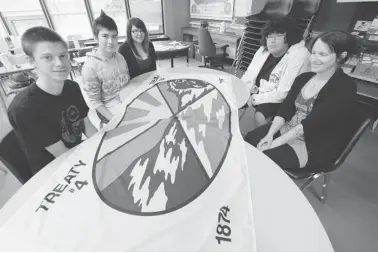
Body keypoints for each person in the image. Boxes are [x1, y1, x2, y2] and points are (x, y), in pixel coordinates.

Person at [244, 30, 360, 169]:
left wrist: (274, 144)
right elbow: (284, 110)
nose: (314, 59)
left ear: (341, 57)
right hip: (289, 128)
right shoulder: (303, 78)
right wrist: (270, 135)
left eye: (322, 54)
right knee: (249, 140)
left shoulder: (344, 87)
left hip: (312, 142)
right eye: (314, 53)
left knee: (263, 159)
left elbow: (311, 124)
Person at [7, 26, 97, 175]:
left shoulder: (72, 87)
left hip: (76, 152)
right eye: (48, 57)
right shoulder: (24, 108)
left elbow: (87, 125)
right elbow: (62, 154)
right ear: (31, 61)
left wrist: (105, 145)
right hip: (54, 172)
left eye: (63, 55)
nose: (60, 63)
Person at [241, 18, 310, 127]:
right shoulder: (262, 50)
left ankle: (263, 139)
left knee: (260, 116)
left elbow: (282, 93)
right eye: (269, 36)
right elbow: (248, 75)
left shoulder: (299, 55)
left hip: (283, 99)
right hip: (258, 91)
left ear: (289, 37)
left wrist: (253, 99)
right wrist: (241, 91)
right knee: (229, 100)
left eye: (278, 36)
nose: (272, 41)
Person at [81, 11, 130, 129]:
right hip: (111, 110)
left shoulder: (120, 57)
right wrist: (115, 120)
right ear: (95, 37)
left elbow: (127, 83)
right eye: (105, 36)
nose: (111, 41)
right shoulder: (90, 67)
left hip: (128, 101)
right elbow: (95, 102)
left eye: (114, 36)